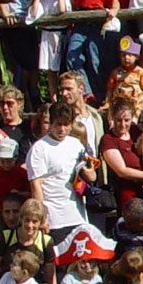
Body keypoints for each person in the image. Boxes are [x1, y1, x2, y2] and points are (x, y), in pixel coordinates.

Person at [25, 102, 99, 246]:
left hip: (77, 216)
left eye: (66, 125)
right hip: (54, 219)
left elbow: (91, 177)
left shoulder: (76, 144)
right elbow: (36, 186)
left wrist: (89, 172)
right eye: (58, 124)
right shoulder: (39, 149)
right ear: (51, 123)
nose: (62, 129)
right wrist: (41, 218)